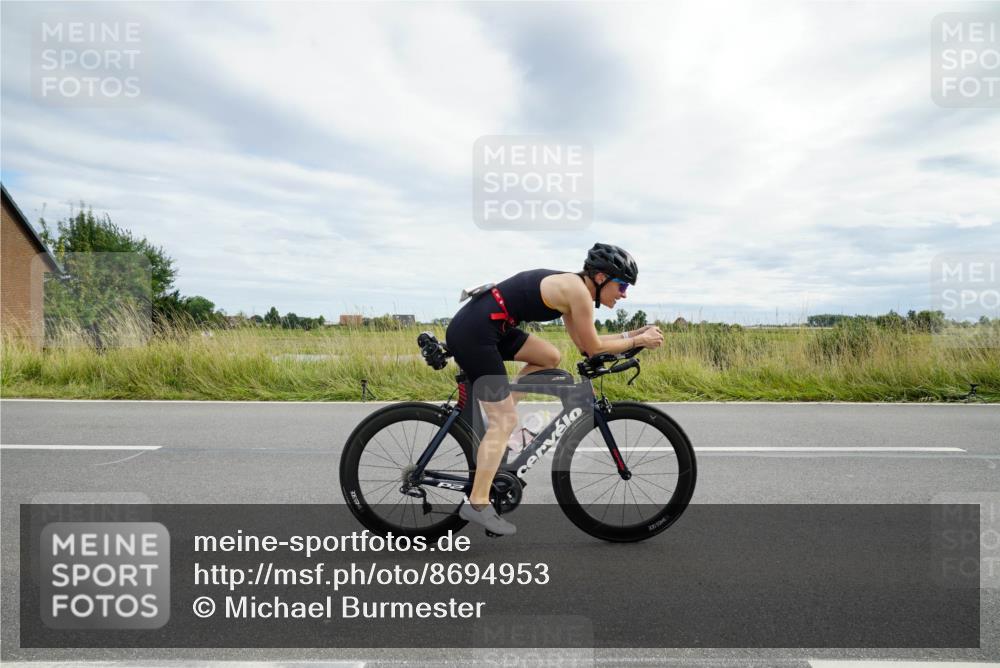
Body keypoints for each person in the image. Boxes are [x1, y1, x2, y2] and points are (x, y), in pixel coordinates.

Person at [445, 243, 665, 535]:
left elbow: (586, 345)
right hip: (476, 332)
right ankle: (478, 504)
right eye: (622, 285)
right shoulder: (577, 293)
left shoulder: (575, 290)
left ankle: (500, 417)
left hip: (488, 325)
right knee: (506, 421)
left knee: (549, 357)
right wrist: (638, 341)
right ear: (601, 278)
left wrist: (632, 334)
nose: (624, 294)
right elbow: (593, 347)